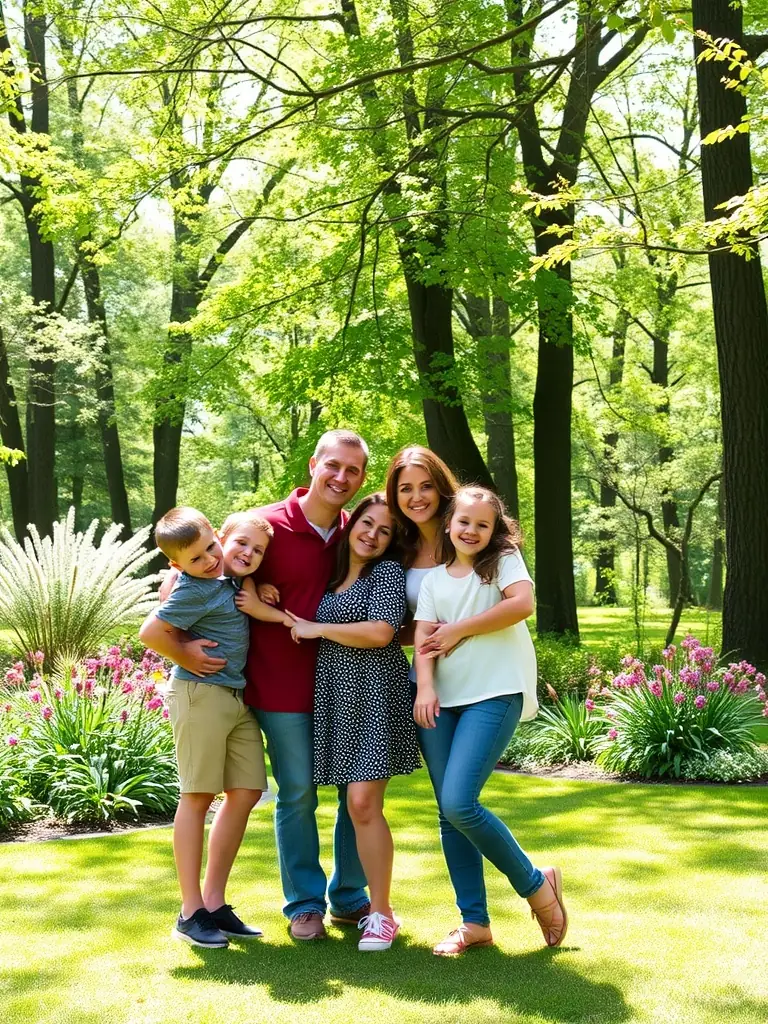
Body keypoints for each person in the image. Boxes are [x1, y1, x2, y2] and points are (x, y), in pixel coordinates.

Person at [412, 485, 568, 955]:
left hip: (495, 691)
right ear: (449, 523)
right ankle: (474, 922)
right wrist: (425, 686)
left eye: (483, 524)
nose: (472, 530)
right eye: (464, 521)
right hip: (441, 700)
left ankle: (536, 885)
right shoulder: (435, 581)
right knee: (447, 813)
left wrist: (457, 629)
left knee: (460, 803)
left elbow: (521, 605)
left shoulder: (502, 563)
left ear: (494, 530)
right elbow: (422, 635)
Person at [237, 430, 371, 940]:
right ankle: (304, 904)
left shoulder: (357, 532)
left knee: (355, 796)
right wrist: (250, 584)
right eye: (333, 466)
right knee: (297, 794)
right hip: (280, 684)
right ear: (314, 464)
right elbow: (216, 566)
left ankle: (349, 896)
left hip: (347, 685)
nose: (341, 477)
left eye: (352, 471)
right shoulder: (266, 525)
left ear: (360, 480)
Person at [288, 493, 421, 952]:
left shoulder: (386, 573)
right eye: (368, 523)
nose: (373, 534)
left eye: (385, 531)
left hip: (375, 697)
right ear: (352, 523)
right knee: (349, 804)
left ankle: (380, 913)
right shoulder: (328, 577)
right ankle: (348, 902)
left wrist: (318, 628)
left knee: (363, 804)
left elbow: (382, 632)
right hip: (335, 699)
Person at [139, 507, 274, 949]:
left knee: (248, 790)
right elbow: (150, 633)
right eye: (196, 559)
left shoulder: (224, 578)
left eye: (211, 548)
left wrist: (255, 584)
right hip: (200, 694)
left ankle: (214, 902)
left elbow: (237, 573)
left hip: (235, 698)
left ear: (218, 536)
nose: (210, 560)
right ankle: (189, 910)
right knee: (196, 797)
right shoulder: (191, 589)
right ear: (178, 565)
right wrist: (188, 655)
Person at [385, 445, 458, 652]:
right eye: (406, 489)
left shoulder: (470, 536)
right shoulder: (397, 550)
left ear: (441, 486)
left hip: (484, 670)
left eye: (427, 486)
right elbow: (402, 630)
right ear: (395, 496)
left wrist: (459, 629)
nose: (417, 497)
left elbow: (518, 605)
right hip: (426, 674)